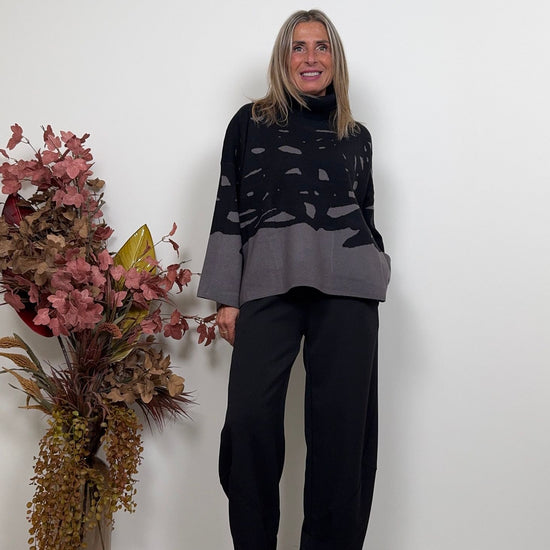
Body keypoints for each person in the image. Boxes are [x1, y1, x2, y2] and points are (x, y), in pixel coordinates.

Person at [197, 9, 390, 550]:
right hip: (268, 283)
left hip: (349, 291)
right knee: (249, 422)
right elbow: (229, 205)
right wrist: (226, 297)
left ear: (335, 59)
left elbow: (365, 212)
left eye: (321, 46)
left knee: (342, 434)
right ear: (283, 58)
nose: (310, 57)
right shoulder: (251, 122)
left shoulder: (356, 135)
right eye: (298, 47)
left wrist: (379, 264)